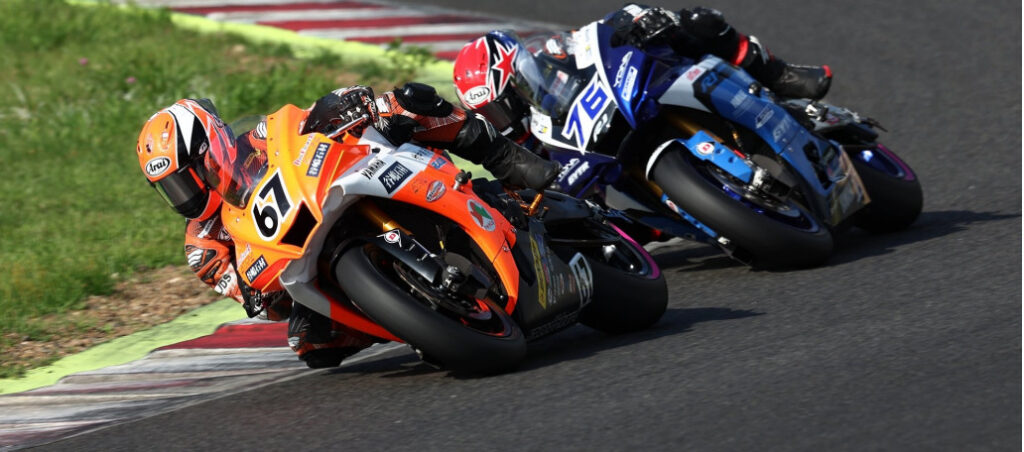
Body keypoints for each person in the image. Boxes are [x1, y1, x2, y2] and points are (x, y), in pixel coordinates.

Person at [135, 84, 559, 368]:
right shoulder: (202, 245)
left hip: (337, 189)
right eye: (172, 188)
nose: (187, 194)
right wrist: (256, 294)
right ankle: (422, 321)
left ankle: (504, 158)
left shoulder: (258, 138)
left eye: (188, 176)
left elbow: (304, 119)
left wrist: (345, 105)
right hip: (305, 266)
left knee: (403, 102)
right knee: (310, 342)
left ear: (212, 142)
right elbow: (261, 304)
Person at [453, 4, 832, 141]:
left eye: (506, 100)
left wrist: (633, 21)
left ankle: (777, 75)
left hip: (634, 92)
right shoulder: (520, 149)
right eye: (493, 112)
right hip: (623, 177)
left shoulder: (553, 55)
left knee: (694, 21)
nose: (507, 116)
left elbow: (593, 36)